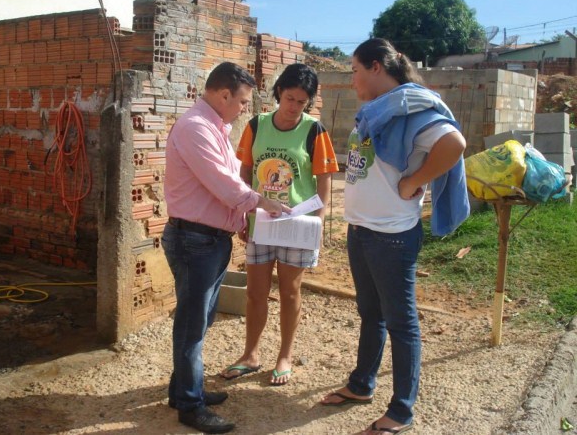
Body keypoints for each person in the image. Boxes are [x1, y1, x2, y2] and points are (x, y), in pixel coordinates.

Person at [320, 38, 469, 435]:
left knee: (401, 323)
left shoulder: (413, 107)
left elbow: (454, 143)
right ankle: (361, 384)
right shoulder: (380, 110)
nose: (351, 79)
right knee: (371, 314)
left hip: (391, 236)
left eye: (353, 70)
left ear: (375, 67)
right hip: (362, 230)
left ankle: (401, 411)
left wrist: (416, 181)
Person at [162, 61, 289, 434]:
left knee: (199, 320)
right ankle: (189, 405)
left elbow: (232, 173)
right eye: (243, 101)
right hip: (195, 240)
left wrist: (250, 206)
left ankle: (183, 389)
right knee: (192, 326)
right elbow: (224, 184)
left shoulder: (215, 127)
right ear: (222, 95)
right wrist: (263, 203)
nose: (245, 108)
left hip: (208, 240)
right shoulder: (195, 128)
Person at [220, 63, 339, 386]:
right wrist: (244, 213)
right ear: (278, 94)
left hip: (297, 224)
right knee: (256, 292)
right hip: (261, 221)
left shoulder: (315, 131)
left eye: (301, 102)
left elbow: (325, 179)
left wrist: (320, 221)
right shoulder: (256, 126)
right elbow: (245, 171)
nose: (293, 107)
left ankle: (284, 356)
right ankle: (250, 354)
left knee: (290, 292)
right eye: (289, 98)